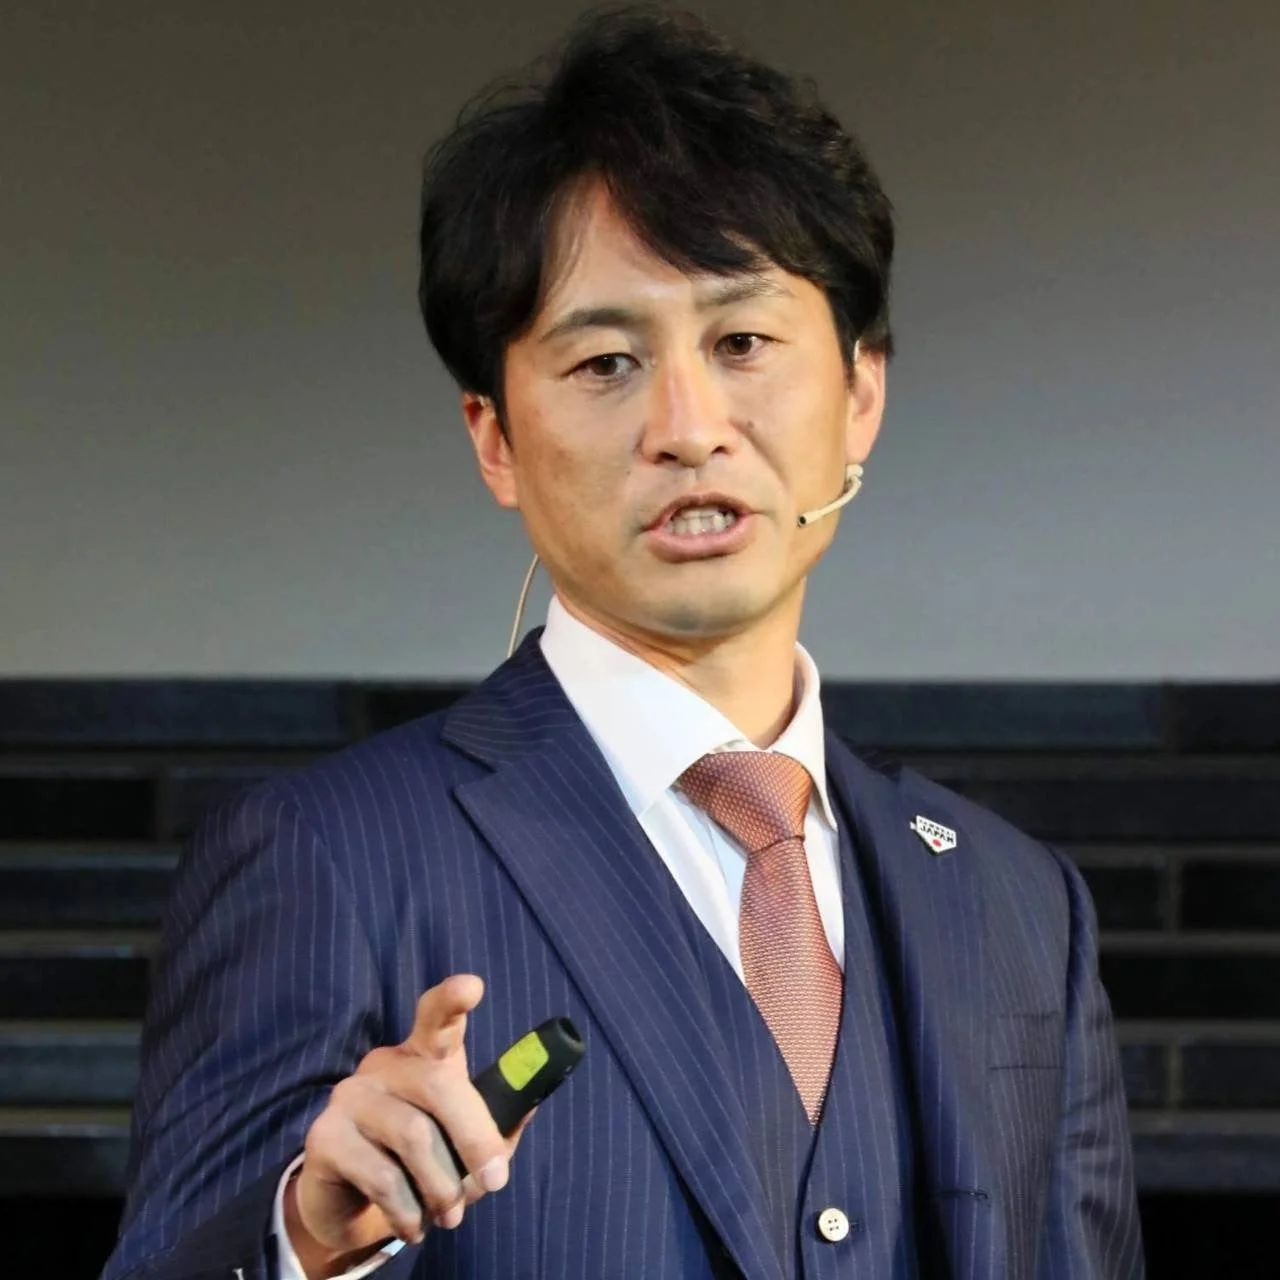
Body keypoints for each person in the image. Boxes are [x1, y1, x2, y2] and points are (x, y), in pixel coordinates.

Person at [103, 7, 1144, 1278]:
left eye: (742, 341)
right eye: (604, 361)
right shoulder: (327, 857)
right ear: (494, 437)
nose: (687, 426)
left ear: (860, 390)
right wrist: (307, 1239)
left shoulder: (1016, 900)